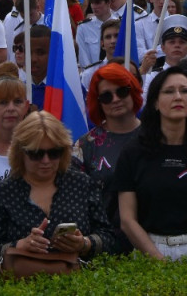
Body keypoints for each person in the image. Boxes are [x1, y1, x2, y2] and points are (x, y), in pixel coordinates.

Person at [114, 68, 187, 261]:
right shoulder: (132, 153)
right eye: (169, 91)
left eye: (184, 91)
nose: (178, 97)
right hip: (150, 253)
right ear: (155, 102)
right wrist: (159, 260)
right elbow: (127, 220)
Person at [0, 111, 116, 266]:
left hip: (78, 276)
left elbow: (109, 238)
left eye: (54, 153)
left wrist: (84, 244)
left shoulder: (82, 184)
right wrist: (19, 245)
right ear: (21, 153)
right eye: (37, 154)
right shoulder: (2, 194)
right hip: (23, 279)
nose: (46, 160)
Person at [76, 62, 143, 249]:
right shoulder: (85, 146)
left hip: (153, 245)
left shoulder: (157, 138)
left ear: (133, 91)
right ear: (97, 102)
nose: (115, 99)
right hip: (104, 245)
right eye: (106, 96)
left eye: (122, 91)